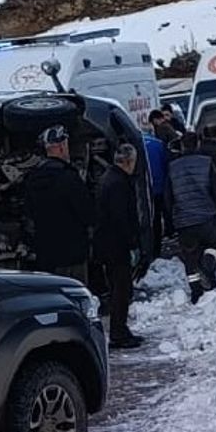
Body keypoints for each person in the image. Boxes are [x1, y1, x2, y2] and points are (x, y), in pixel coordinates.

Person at [23, 125, 95, 283]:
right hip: (72, 254)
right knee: (75, 292)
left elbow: (28, 216)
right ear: (62, 146)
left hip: (46, 255)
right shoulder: (69, 177)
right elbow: (87, 214)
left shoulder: (32, 178)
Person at [166, 132, 216, 303]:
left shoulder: (172, 167)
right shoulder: (206, 163)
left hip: (183, 220)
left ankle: (196, 291)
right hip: (205, 216)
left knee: (189, 256)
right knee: (215, 243)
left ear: (182, 146)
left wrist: (171, 219)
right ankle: (208, 264)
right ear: (198, 144)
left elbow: (168, 197)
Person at [95, 144, 144, 349]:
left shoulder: (109, 178)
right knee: (121, 290)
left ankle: (121, 329)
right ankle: (118, 332)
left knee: (119, 288)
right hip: (116, 246)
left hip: (109, 244)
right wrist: (132, 243)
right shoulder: (118, 184)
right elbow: (121, 217)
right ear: (129, 162)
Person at [143, 112, 172, 240]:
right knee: (163, 210)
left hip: (146, 187)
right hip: (160, 185)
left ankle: (155, 238)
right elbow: (166, 164)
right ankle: (168, 231)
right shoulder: (158, 144)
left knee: (153, 216)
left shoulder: (138, 145)